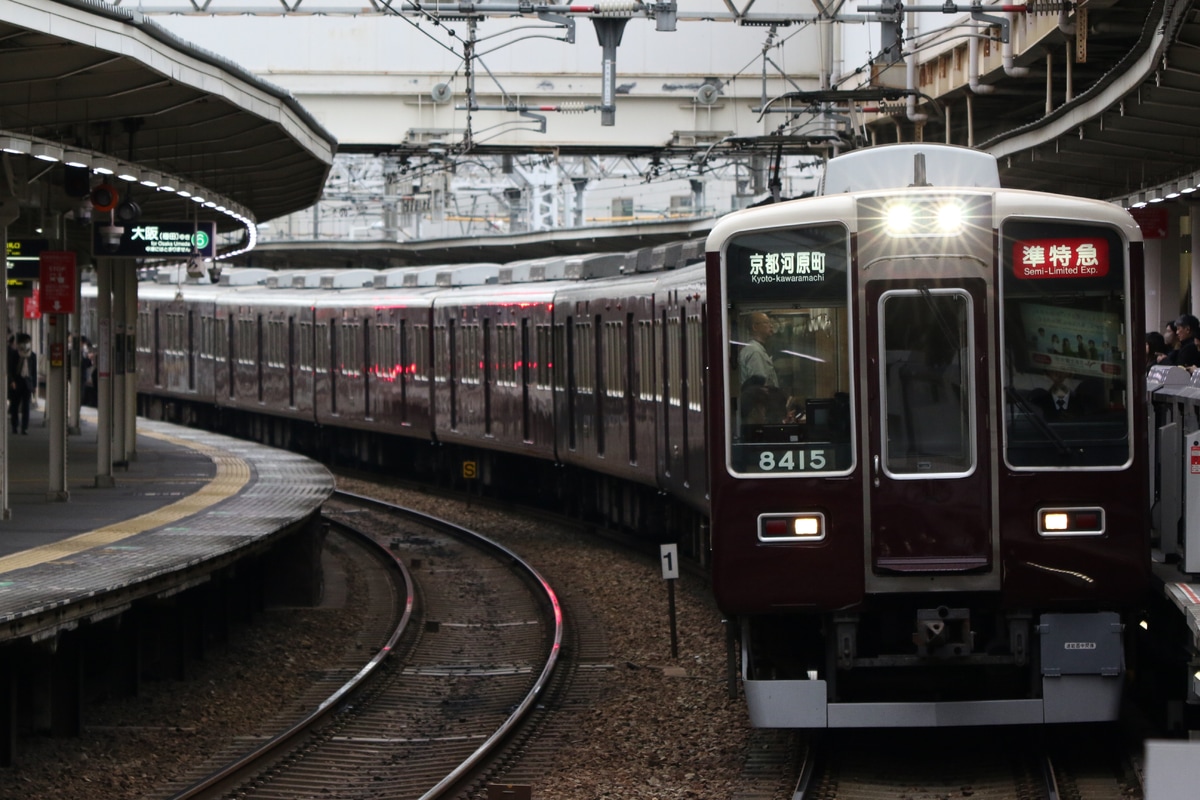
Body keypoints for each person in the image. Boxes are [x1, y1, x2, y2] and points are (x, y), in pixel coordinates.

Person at [8, 333, 36, 435]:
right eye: (24, 342)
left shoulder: (32, 356)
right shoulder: (15, 354)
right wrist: (12, 381)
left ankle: (25, 428)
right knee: (15, 406)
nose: (26, 344)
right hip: (17, 383)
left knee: (26, 407)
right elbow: (10, 369)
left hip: (27, 384)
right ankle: (14, 426)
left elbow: (34, 372)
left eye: (28, 342)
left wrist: (34, 385)